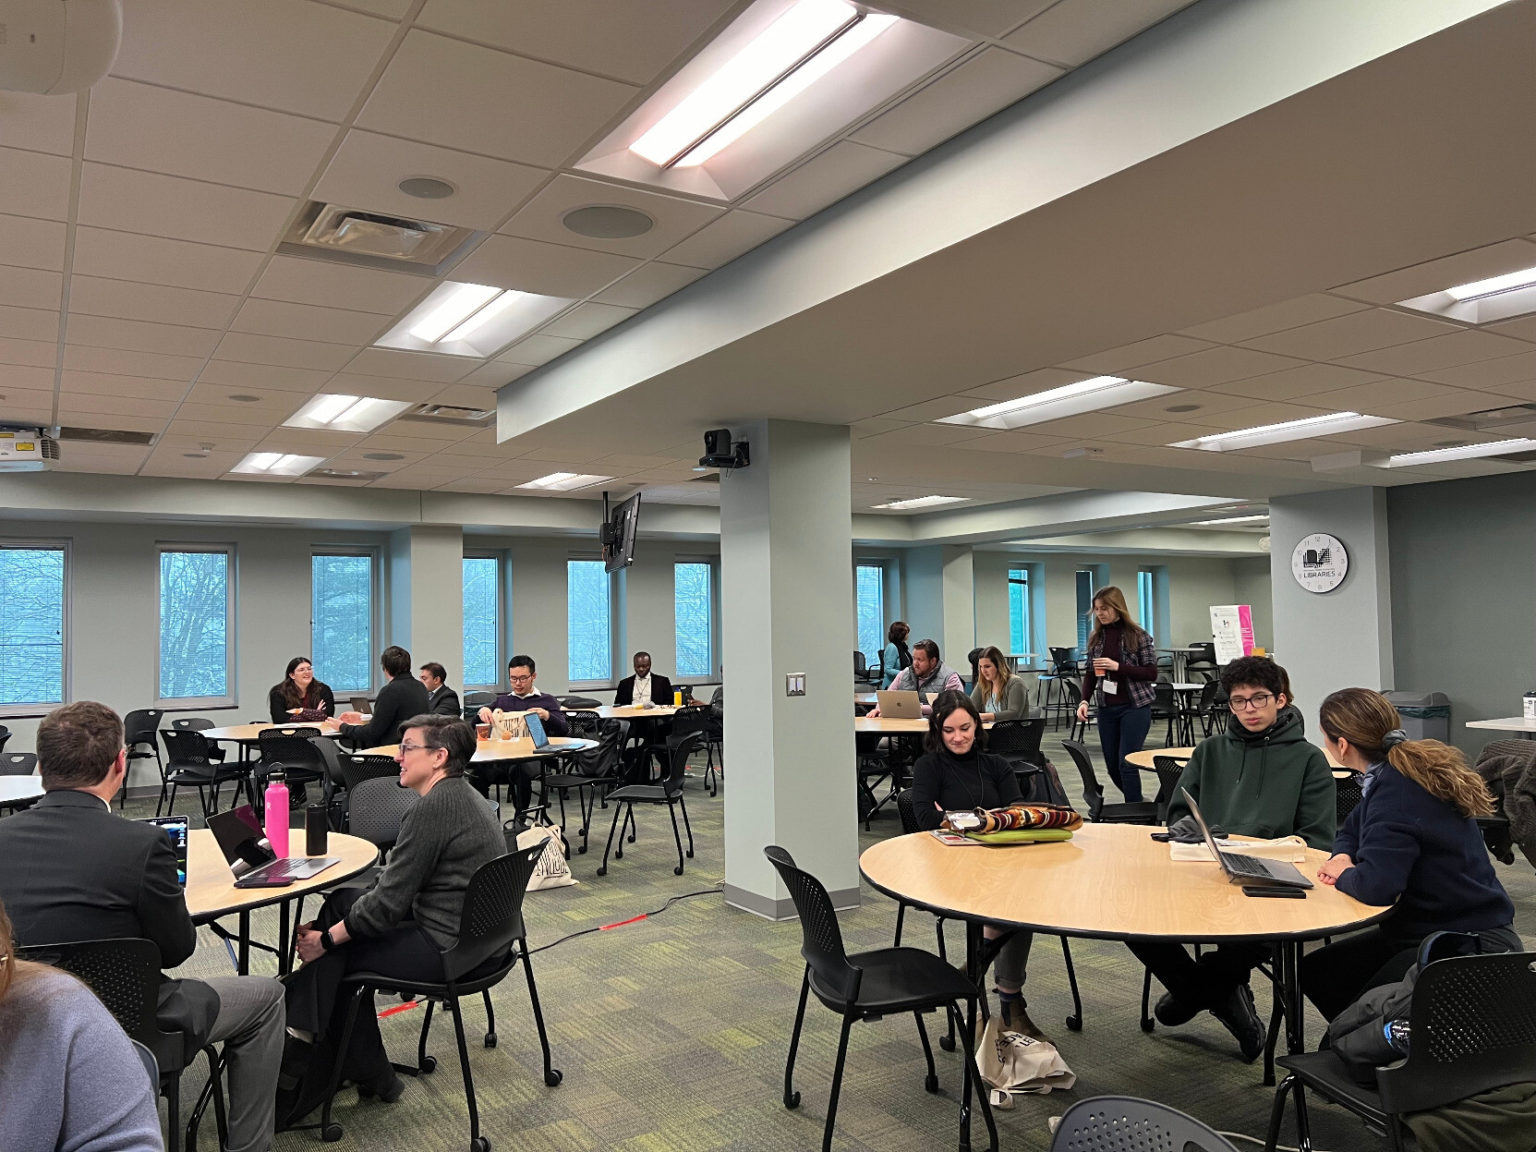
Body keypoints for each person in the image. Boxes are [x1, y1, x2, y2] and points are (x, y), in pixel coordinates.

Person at [0, 701, 285, 1152]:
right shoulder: (144, 843)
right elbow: (176, 950)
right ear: (120, 763)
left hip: (13, 1018)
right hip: (132, 1021)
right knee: (268, 996)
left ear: (40, 766)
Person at [284, 714, 504, 1113]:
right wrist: (333, 923)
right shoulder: (465, 795)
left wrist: (326, 938)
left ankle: (302, 1057)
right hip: (484, 937)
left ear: (439, 757)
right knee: (342, 901)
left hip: (449, 947)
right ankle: (362, 1067)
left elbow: (386, 909)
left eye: (407, 748)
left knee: (339, 954)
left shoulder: (432, 810)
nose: (398, 756)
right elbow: (400, 883)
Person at [1126, 657, 1335, 1062]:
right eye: (1239, 701)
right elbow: (1178, 810)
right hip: (1204, 870)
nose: (1249, 709)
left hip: (1270, 882)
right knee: (1132, 920)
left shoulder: (1309, 760)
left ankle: (1197, 993)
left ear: (1281, 700)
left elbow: (1317, 842)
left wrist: (1263, 851)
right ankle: (1221, 994)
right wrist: (1185, 823)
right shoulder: (1210, 751)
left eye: (1259, 699)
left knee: (1247, 935)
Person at [1300, 688, 1520, 1020]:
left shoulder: (1397, 791)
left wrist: (1342, 873)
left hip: (1463, 940)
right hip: (1430, 926)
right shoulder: (1391, 776)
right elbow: (1350, 831)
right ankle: (1379, 1047)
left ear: (1341, 745)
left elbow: (1377, 886)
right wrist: (1344, 856)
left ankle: (1373, 1047)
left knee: (1351, 1016)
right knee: (1320, 970)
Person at [909, 692, 1044, 1038]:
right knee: (1015, 907)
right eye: (949, 730)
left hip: (1001, 862)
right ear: (937, 731)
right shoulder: (929, 767)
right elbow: (925, 817)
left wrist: (952, 817)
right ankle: (1011, 1002)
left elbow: (1016, 814)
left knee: (1027, 900)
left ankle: (967, 975)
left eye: (965, 728)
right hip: (950, 868)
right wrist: (984, 820)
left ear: (976, 726)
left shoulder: (996, 765)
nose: (958, 737)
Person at [0, 896, 163, 1152]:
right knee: (251, 1000)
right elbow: (176, 945)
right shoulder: (140, 856)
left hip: (76, 1028)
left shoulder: (59, 1009)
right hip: (140, 1002)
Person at [1074, 586, 1157, 803]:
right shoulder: (1097, 638)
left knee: (1126, 763)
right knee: (1112, 766)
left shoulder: (1138, 636)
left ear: (1117, 608)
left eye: (1104, 608)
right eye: (1097, 610)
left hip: (1134, 707)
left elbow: (1151, 672)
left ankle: (1134, 813)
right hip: (1107, 709)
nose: (1100, 613)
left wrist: (1118, 667)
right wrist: (1084, 700)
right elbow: (1091, 674)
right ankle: (1140, 804)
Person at [475, 655, 570, 808]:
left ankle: (520, 819)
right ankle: (485, 816)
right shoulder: (503, 701)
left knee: (519, 769)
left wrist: (547, 716)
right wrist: (483, 711)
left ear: (533, 676)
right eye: (513, 679)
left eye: (523, 678)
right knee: (477, 772)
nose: (517, 684)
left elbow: (564, 729)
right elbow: (478, 725)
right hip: (503, 756)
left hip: (533, 757)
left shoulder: (546, 700)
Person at [336, 646, 430, 749]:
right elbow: (400, 718)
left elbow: (372, 732)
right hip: (416, 749)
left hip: (390, 753)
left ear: (385, 668)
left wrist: (342, 726)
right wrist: (365, 717)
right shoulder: (420, 687)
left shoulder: (390, 690)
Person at [870, 639, 964, 716]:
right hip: (903, 726)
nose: (915, 663)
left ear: (933, 661)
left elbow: (953, 706)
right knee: (885, 740)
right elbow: (887, 698)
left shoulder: (950, 677)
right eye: (914, 658)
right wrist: (878, 709)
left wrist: (918, 708)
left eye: (920, 660)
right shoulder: (904, 673)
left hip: (933, 728)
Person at [269, 656, 336, 723]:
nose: (307, 672)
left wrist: (299, 711)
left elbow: (328, 716)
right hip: (289, 731)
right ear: (292, 675)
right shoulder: (278, 692)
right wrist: (315, 714)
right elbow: (279, 719)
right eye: (301, 670)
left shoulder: (323, 689)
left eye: (309, 669)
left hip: (319, 731)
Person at [970, 645, 1029, 722]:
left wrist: (983, 716)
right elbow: (970, 707)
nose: (983, 671)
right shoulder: (982, 683)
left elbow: (1014, 713)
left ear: (999, 666)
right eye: (981, 667)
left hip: (1012, 731)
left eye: (987, 666)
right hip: (989, 731)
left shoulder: (1015, 683)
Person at [880, 621, 912, 690]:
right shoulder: (892, 647)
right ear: (901, 634)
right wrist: (905, 673)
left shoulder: (903, 647)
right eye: (907, 632)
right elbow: (888, 670)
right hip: (890, 686)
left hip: (901, 685)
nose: (908, 635)